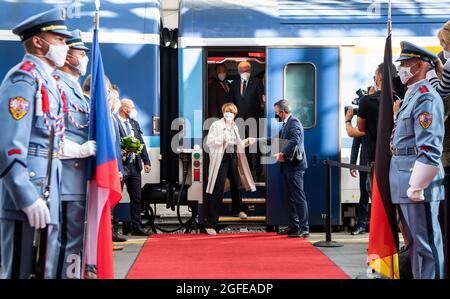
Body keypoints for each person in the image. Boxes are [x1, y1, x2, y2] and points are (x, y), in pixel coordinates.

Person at [0, 8, 72, 279]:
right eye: (59, 39)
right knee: (20, 268)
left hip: (48, 188)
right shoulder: (23, 78)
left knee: (45, 269)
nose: (65, 46)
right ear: (39, 42)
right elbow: (9, 145)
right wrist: (26, 196)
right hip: (28, 192)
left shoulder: (48, 81)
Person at [390, 41, 445, 279]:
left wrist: (418, 184)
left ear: (421, 65)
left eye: (405, 63)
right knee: (414, 245)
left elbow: (430, 146)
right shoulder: (412, 97)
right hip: (404, 177)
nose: (401, 68)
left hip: (416, 180)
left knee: (427, 245)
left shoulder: (426, 98)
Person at [52, 29, 96, 279]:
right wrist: (78, 149)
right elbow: (46, 134)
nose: (86, 60)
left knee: (74, 240)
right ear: (69, 57)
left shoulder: (76, 90)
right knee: (65, 241)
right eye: (82, 54)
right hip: (64, 177)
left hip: (76, 180)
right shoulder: (57, 86)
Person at [205, 103, 256, 235]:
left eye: (231, 112)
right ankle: (210, 223)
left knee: (237, 184)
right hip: (220, 159)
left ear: (235, 114)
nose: (229, 114)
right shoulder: (216, 125)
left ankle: (237, 209)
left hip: (231, 156)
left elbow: (237, 143)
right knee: (218, 189)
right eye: (227, 112)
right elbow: (209, 142)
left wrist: (247, 141)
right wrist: (223, 138)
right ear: (223, 113)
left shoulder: (234, 127)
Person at [115, 99, 151, 236]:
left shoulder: (133, 123)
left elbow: (141, 143)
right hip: (121, 165)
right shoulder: (115, 122)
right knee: (117, 197)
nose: (134, 110)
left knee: (137, 197)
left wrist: (146, 161)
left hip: (134, 165)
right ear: (124, 109)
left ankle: (137, 227)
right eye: (132, 107)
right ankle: (114, 229)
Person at [273, 100, 309, 238]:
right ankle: (294, 226)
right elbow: (277, 140)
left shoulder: (293, 123)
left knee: (298, 197)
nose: (275, 114)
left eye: (276, 112)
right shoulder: (286, 124)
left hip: (295, 166)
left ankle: (304, 228)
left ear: (283, 112)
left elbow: (294, 140)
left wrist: (282, 153)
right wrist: (256, 140)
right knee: (291, 198)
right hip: (289, 166)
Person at [230, 61, 265, 181]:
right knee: (241, 147)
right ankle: (242, 174)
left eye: (246, 70)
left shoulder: (257, 82)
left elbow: (262, 101)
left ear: (250, 70)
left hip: (254, 120)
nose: (244, 72)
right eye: (242, 70)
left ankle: (255, 174)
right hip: (238, 121)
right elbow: (231, 103)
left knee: (254, 148)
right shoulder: (234, 84)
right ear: (238, 71)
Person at [349, 137, 370, 235]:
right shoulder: (361, 123)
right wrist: (352, 165)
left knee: (378, 198)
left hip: (378, 164)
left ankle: (380, 226)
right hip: (364, 165)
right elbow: (355, 146)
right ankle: (361, 225)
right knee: (364, 195)